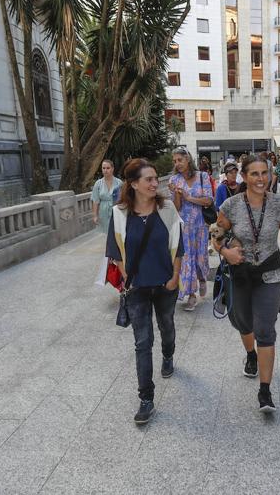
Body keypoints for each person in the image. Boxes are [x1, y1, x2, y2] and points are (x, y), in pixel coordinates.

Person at [213, 155, 280, 413]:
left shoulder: (279, 205)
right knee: (243, 322)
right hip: (240, 272)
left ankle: (265, 392)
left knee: (265, 329)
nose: (260, 179)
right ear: (244, 176)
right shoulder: (231, 205)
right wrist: (225, 252)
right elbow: (216, 236)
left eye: (264, 173)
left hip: (270, 271)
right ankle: (251, 355)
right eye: (254, 174)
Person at [106, 158, 184, 424]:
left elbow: (178, 245)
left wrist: (175, 276)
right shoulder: (119, 214)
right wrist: (128, 277)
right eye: (149, 179)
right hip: (137, 287)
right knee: (142, 342)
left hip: (165, 284)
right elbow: (115, 252)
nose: (155, 183)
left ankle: (169, 355)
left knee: (167, 326)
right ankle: (146, 398)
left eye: (155, 179)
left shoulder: (168, 209)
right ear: (134, 184)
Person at [168, 147, 214, 311]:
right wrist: (178, 195)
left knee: (200, 258)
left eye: (180, 160)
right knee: (186, 260)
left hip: (200, 226)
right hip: (183, 226)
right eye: (174, 161)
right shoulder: (174, 180)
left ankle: (202, 278)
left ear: (188, 159)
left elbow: (208, 200)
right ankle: (191, 295)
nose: (177, 163)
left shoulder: (203, 176)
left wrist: (189, 197)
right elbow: (177, 207)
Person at [92, 159, 123, 233]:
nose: (105, 170)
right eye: (103, 168)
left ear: (112, 169)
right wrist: (95, 215)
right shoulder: (98, 183)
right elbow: (95, 200)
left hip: (117, 210)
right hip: (103, 211)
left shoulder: (119, 183)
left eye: (108, 168)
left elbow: (124, 199)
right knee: (107, 233)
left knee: (117, 232)